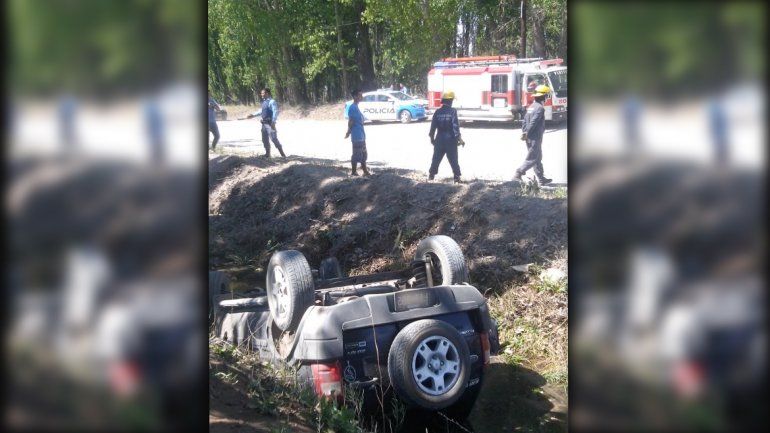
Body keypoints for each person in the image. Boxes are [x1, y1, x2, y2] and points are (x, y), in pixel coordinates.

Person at [514, 85, 552, 185]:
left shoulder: (531, 107)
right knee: (533, 157)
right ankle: (518, 173)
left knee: (537, 157)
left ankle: (541, 179)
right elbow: (534, 122)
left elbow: (525, 121)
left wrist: (524, 132)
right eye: (547, 95)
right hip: (534, 136)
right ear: (544, 96)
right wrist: (527, 133)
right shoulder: (540, 108)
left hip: (529, 136)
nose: (548, 97)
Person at [428, 90, 464, 183]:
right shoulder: (453, 111)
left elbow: (433, 127)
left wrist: (432, 138)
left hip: (439, 139)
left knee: (436, 158)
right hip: (450, 139)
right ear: (450, 101)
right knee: (453, 159)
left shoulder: (437, 112)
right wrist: (460, 139)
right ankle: (456, 177)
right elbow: (455, 127)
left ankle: (431, 176)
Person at [242, 88, 286, 158]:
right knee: (264, 139)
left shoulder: (272, 102)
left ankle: (283, 155)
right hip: (264, 124)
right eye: (261, 93)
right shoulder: (264, 102)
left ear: (267, 93)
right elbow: (261, 111)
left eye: (263, 93)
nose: (262, 94)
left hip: (270, 123)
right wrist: (252, 115)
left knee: (274, 139)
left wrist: (273, 122)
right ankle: (267, 154)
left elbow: (275, 112)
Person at [344, 89, 370, 176]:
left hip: (361, 135)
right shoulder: (352, 108)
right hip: (356, 135)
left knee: (363, 153)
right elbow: (350, 121)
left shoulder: (356, 107)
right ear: (355, 97)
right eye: (360, 95)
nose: (361, 97)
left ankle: (365, 171)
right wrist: (348, 132)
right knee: (356, 154)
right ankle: (354, 172)